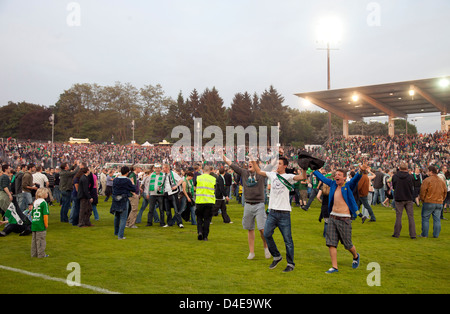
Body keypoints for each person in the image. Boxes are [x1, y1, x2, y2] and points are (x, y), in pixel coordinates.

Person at [252, 156, 306, 273]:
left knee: (288, 240)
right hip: (272, 212)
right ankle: (277, 256)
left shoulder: (289, 177)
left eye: (280, 164)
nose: (278, 165)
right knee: (266, 234)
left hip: (284, 213)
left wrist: (304, 168)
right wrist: (252, 159)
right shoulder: (272, 175)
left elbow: (302, 177)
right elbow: (258, 171)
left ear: (285, 166)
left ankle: (290, 263)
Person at [313, 162, 367, 274]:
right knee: (331, 243)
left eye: (339, 175)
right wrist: (312, 170)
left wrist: (361, 171)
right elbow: (322, 178)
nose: (336, 176)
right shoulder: (332, 184)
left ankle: (356, 256)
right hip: (332, 217)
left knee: (348, 245)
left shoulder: (347, 186)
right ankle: (334, 267)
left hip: (344, 219)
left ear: (344, 178)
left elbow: (356, 179)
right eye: (336, 174)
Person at [223, 154, 270, 260]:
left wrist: (254, 159)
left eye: (252, 163)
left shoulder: (261, 174)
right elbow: (231, 165)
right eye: (248, 163)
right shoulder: (244, 173)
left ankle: (266, 247)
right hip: (248, 204)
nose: (249, 164)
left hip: (259, 204)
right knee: (250, 229)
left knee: (262, 229)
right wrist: (223, 157)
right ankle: (251, 252)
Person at [419, 166, 447, 238]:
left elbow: (422, 191)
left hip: (429, 201)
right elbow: (445, 192)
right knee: (437, 219)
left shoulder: (427, 180)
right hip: (439, 202)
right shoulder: (441, 181)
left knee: (425, 218)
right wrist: (442, 200)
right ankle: (436, 235)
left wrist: (423, 200)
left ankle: (424, 234)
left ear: (430, 171)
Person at [110, 166, 137, 240]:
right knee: (123, 218)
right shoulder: (127, 181)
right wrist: (132, 183)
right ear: (127, 172)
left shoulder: (115, 180)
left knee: (117, 216)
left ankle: (116, 232)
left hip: (116, 199)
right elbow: (134, 189)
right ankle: (120, 236)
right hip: (124, 199)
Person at [391, 162, 416, 239]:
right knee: (411, 217)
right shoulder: (410, 177)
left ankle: (396, 233)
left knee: (398, 216)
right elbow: (413, 186)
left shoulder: (395, 176)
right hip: (408, 198)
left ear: (399, 168)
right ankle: (413, 234)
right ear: (406, 169)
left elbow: (394, 186)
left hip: (399, 198)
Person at [194, 165, 216, 241]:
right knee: (207, 219)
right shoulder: (213, 179)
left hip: (200, 201)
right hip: (209, 201)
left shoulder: (199, 178)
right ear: (210, 171)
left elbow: (194, 187)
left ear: (203, 170)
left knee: (199, 218)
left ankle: (200, 231)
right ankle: (205, 236)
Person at [162, 164, 184, 228]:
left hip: (173, 193)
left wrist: (176, 186)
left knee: (176, 209)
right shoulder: (164, 175)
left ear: (167, 168)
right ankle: (169, 223)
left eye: (164, 168)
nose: (163, 169)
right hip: (166, 193)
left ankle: (179, 223)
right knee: (168, 210)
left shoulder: (173, 174)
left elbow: (181, 180)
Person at [31, 188, 49, 258]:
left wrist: (34, 221)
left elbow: (32, 214)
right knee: (41, 240)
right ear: (43, 194)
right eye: (46, 193)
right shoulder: (44, 203)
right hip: (40, 224)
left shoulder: (35, 202)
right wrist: (46, 224)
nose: (47, 194)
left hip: (34, 223)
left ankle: (33, 254)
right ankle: (41, 254)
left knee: (34, 240)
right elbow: (45, 215)